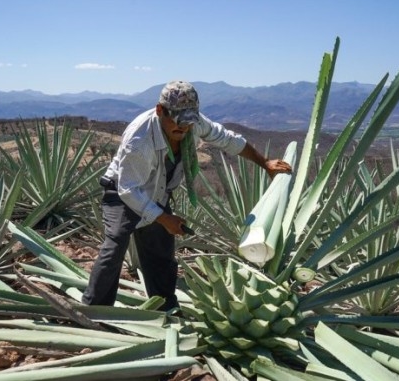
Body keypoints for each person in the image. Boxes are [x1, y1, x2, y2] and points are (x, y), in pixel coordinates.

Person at [82, 80, 292, 311]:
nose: (183, 128)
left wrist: (265, 163)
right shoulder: (139, 141)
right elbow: (129, 190)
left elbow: (227, 139)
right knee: (114, 249)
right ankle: (95, 312)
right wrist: (164, 218)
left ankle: (165, 310)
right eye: (177, 121)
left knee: (161, 256)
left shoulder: (192, 122)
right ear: (160, 110)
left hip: (157, 192)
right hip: (123, 192)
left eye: (189, 123)